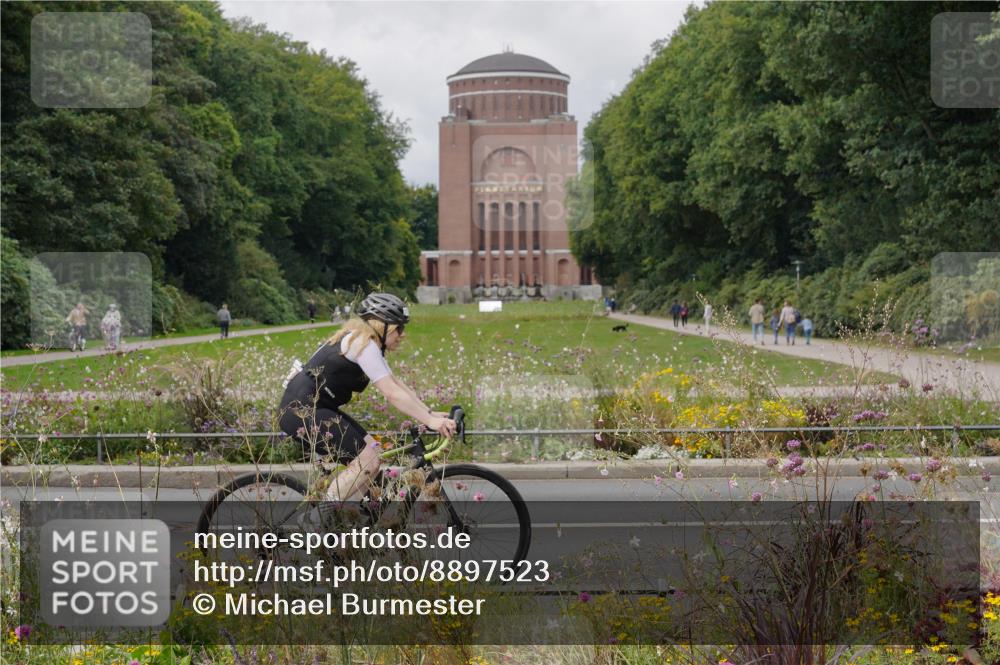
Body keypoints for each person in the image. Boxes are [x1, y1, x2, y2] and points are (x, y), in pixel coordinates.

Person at [279, 293, 457, 521]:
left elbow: (396, 384)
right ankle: (315, 521)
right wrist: (431, 422)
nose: (402, 335)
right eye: (398, 329)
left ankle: (348, 526)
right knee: (368, 462)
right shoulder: (363, 345)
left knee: (372, 457)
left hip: (319, 408)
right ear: (381, 326)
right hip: (302, 411)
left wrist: (429, 414)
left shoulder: (367, 343)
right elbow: (391, 394)